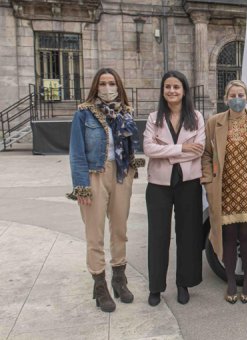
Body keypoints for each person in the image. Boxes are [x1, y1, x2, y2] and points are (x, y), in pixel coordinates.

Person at [67, 68, 144, 313]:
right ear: (96, 86)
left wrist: (132, 172)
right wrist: (81, 187)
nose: (108, 88)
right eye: (103, 83)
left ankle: (119, 278)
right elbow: (76, 153)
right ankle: (99, 284)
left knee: (120, 230)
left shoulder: (126, 113)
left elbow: (132, 146)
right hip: (94, 175)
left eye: (112, 83)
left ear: (119, 86)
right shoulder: (84, 114)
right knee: (95, 232)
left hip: (121, 174)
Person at [201, 80, 247, 304]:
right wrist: (208, 181)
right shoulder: (214, 123)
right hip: (225, 190)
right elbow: (206, 154)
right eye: (232, 95)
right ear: (225, 99)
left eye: (240, 94)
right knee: (229, 237)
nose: (237, 98)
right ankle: (231, 281)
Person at [143, 71, 205, 307]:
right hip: (158, 184)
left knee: (188, 235)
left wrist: (166, 149)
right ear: (162, 91)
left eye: (176, 87)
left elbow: (199, 149)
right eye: (167, 87)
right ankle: (156, 287)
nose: (171, 91)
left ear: (184, 90)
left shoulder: (196, 117)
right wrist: (181, 149)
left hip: (189, 183)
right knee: (158, 236)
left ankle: (183, 284)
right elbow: (149, 148)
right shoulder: (153, 118)